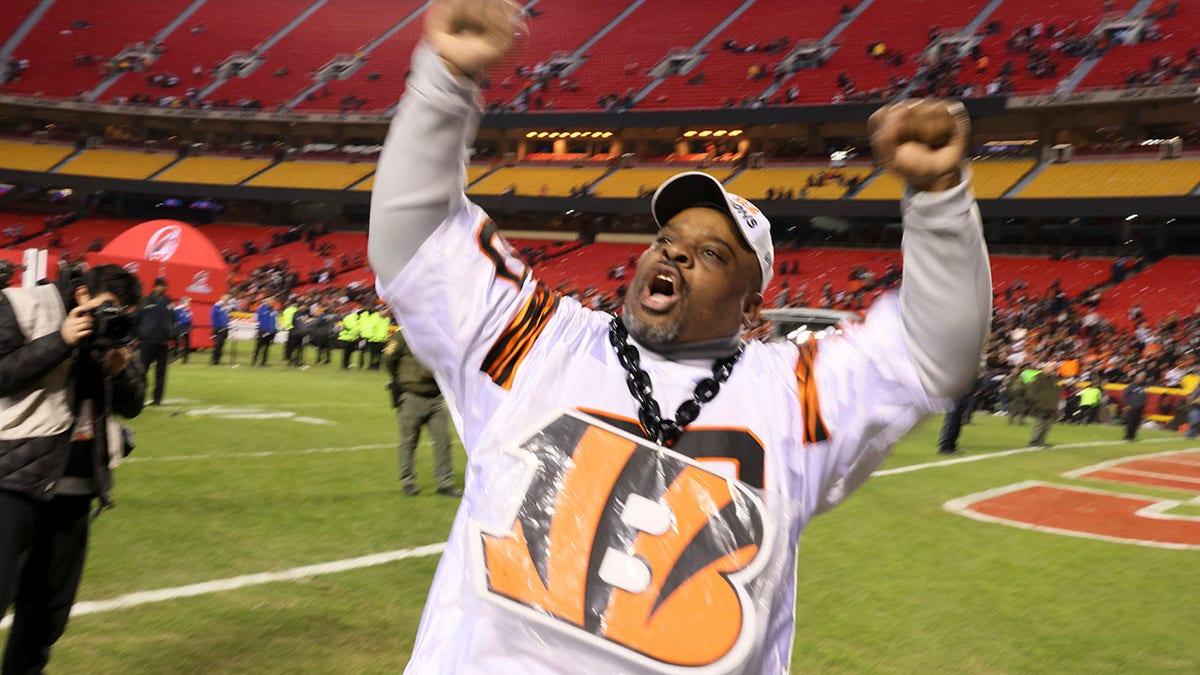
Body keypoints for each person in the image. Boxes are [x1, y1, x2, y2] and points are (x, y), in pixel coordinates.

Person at [368, 1, 989, 671]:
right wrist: (446, 79)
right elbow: (418, 244)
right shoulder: (541, 343)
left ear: (753, 311)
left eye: (712, 253)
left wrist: (938, 199)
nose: (676, 254)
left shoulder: (791, 394)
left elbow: (936, 353)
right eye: (667, 239)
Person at [0, 265, 145, 673]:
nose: (113, 318)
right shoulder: (24, 304)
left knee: (46, 615)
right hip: (13, 480)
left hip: (77, 490)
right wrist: (61, 341)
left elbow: (134, 404)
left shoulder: (119, 330)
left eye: (123, 312)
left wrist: (118, 369)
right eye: (108, 308)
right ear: (82, 294)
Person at [382, 330, 459, 496]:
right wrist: (400, 381)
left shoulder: (440, 335)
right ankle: (408, 481)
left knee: (443, 440)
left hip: (435, 397)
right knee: (409, 441)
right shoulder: (404, 335)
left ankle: (445, 483)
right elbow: (388, 358)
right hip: (411, 395)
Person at [136, 277, 174, 405]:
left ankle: (157, 399)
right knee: (142, 370)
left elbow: (173, 319)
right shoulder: (145, 300)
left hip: (163, 342)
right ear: (156, 286)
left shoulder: (168, 302)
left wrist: (172, 332)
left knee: (161, 372)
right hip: (147, 341)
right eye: (163, 286)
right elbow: (137, 317)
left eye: (165, 286)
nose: (165, 289)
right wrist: (138, 334)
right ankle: (140, 397)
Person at [1026, 364, 1061, 447]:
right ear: (1044, 368)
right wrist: (1038, 401)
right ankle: (1033, 441)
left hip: (1052, 405)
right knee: (1039, 424)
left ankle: (1041, 441)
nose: (1052, 370)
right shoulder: (1038, 378)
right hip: (1041, 405)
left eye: (1053, 368)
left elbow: (1056, 391)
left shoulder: (1054, 379)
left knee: (1047, 426)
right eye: (1050, 368)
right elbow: (1030, 392)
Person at [251, 298, 277, 366]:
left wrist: (274, 329)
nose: (272, 303)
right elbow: (255, 318)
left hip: (271, 331)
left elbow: (274, 320)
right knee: (258, 347)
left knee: (267, 348)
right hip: (263, 331)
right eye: (271, 302)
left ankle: (263, 362)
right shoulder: (261, 309)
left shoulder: (274, 310)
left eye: (273, 302)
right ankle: (254, 361)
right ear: (267, 302)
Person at [1123, 372, 1148, 441]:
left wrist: (1143, 404)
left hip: (1140, 407)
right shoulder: (1131, 386)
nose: (1142, 379)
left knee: (1136, 422)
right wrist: (1128, 404)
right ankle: (1128, 436)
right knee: (1130, 422)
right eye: (1141, 378)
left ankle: (1133, 436)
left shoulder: (1145, 386)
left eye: (1143, 378)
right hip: (1132, 406)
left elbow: (1144, 396)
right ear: (1137, 378)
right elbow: (1125, 395)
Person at [210, 294, 231, 365]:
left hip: (224, 328)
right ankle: (214, 360)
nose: (226, 300)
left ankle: (218, 360)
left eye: (227, 299)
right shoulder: (216, 306)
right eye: (225, 299)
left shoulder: (226, 307)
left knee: (221, 345)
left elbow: (226, 317)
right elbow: (213, 316)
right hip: (218, 327)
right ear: (221, 299)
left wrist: (228, 322)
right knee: (218, 344)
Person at [173, 296, 193, 364]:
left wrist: (189, 326)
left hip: (186, 330)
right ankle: (175, 359)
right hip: (179, 329)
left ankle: (185, 360)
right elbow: (174, 320)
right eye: (188, 301)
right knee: (177, 344)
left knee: (187, 345)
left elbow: (189, 319)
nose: (189, 303)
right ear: (183, 302)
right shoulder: (177, 310)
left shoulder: (187, 310)